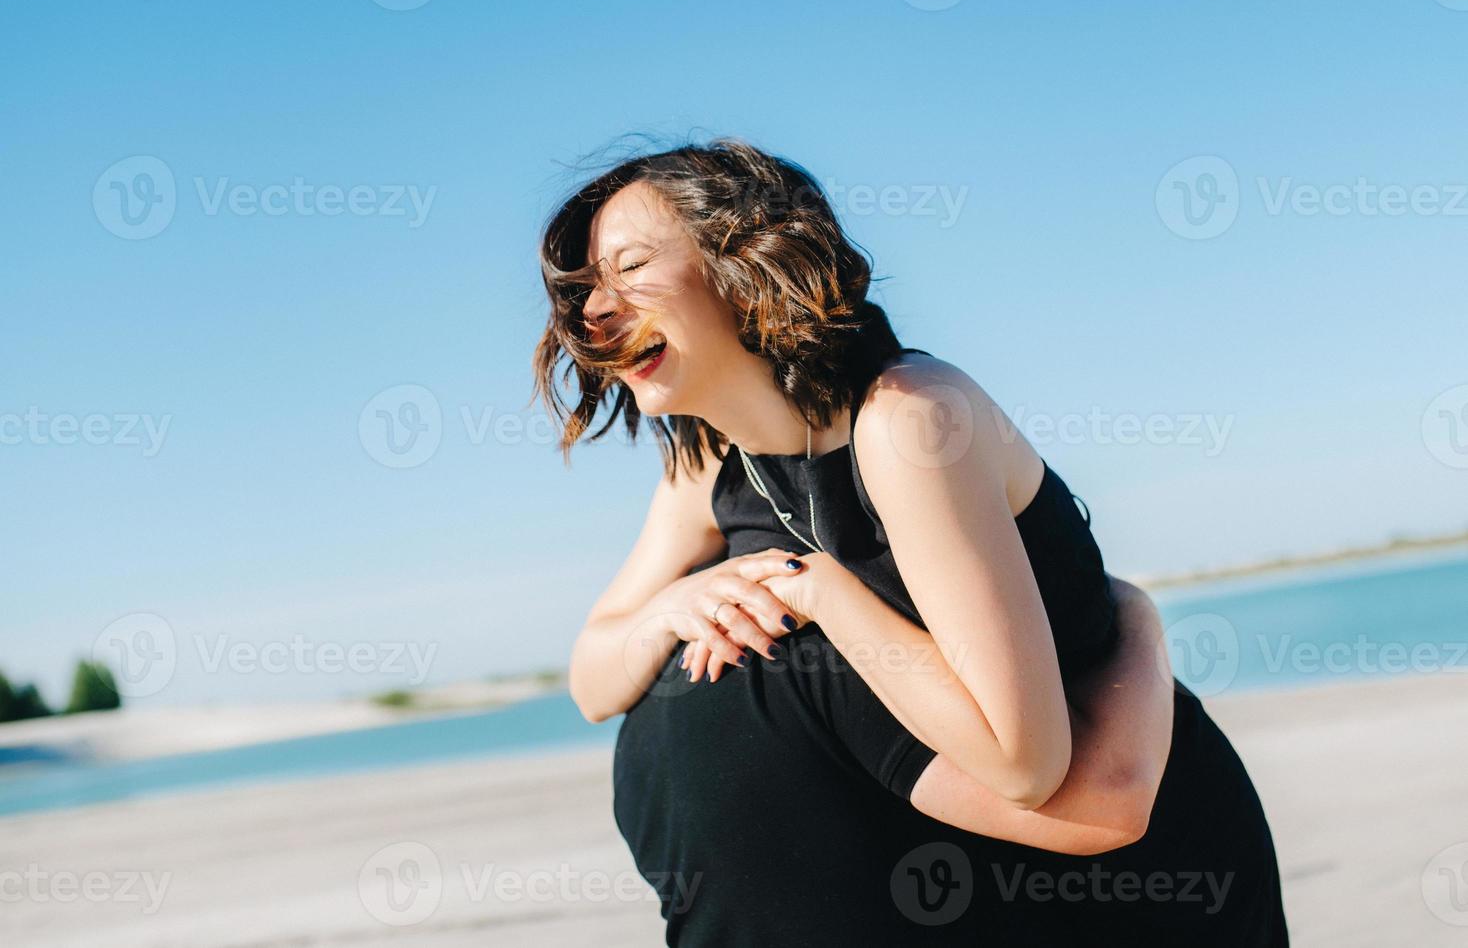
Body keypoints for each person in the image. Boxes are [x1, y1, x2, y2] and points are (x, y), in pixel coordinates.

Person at [532, 138, 1288, 945]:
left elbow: (1023, 764)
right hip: (968, 861)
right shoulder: (711, 460)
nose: (595, 312)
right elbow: (593, 681)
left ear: (747, 254)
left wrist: (821, 591)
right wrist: (672, 609)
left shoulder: (908, 422)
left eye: (632, 267)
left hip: (1145, 872)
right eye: (585, 290)